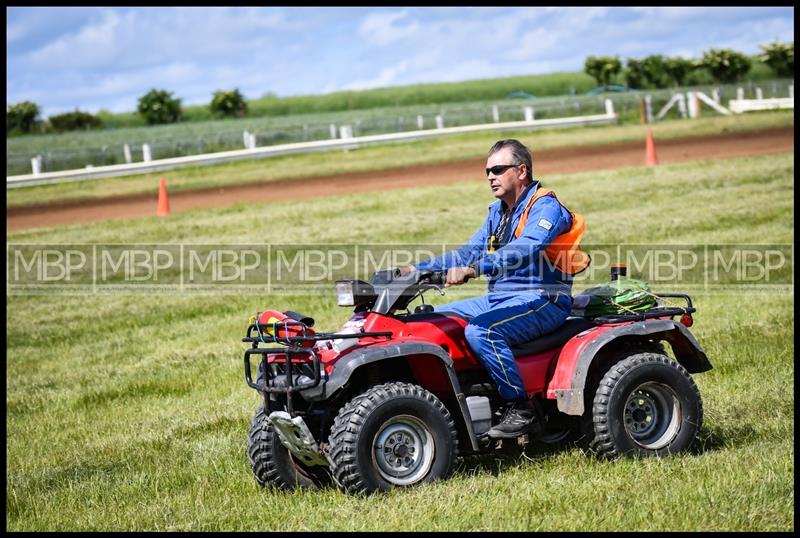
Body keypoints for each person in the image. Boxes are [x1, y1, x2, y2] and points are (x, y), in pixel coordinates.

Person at [401, 139, 589, 439]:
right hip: (499, 299)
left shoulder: (545, 206)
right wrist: (415, 270)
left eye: (498, 170)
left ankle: (520, 407)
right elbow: (466, 253)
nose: (490, 177)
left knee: (482, 331)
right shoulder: (497, 213)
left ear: (522, 171)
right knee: (431, 322)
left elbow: (528, 247)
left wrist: (476, 269)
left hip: (543, 298)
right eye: (487, 171)